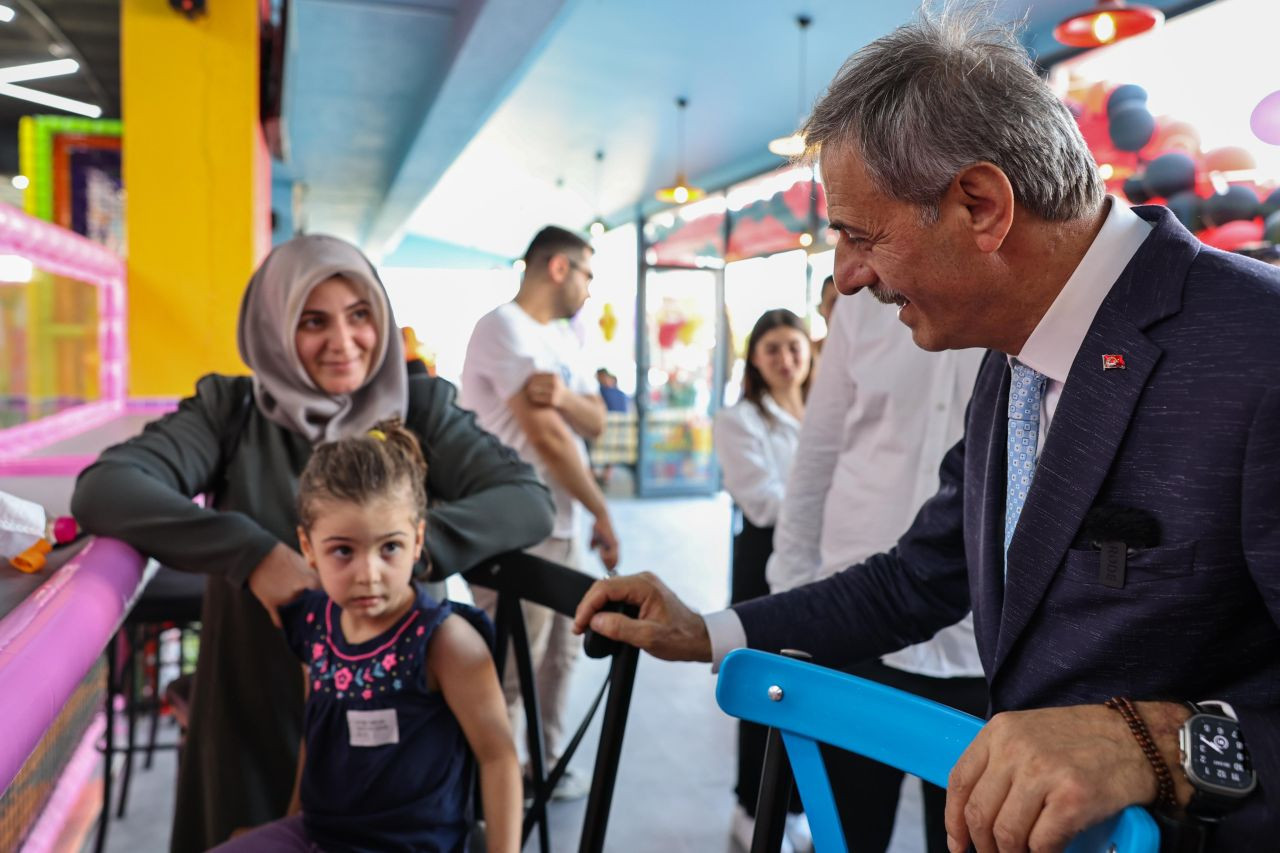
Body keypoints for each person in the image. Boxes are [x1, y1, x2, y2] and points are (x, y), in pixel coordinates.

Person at [574, 7, 1280, 852]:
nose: (848, 276)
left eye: (861, 236)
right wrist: (711, 630)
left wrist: (1160, 742)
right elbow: (918, 577)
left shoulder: (1258, 350)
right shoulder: (1012, 357)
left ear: (980, 205)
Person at [71, 234, 554, 852]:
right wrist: (253, 554)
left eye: (360, 316)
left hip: (401, 731)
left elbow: (526, 501)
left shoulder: (420, 410)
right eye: (312, 321)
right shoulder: (233, 411)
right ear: (273, 326)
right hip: (254, 697)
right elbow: (107, 489)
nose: (344, 342)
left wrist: (396, 559)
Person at [210, 420, 521, 853]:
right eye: (343, 551)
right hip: (320, 835)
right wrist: (288, 825)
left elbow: (499, 757)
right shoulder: (313, 626)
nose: (368, 575)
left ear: (417, 540)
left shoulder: (446, 643)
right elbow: (316, 733)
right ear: (307, 547)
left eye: (389, 548)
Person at [766, 289, 987, 853]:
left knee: (968, 839)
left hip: (983, 650)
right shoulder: (861, 305)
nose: (845, 268)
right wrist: (794, 606)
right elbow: (817, 454)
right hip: (855, 627)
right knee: (846, 834)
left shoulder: (1020, 300)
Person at [460, 225, 620, 801]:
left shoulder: (564, 341)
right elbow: (549, 438)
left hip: (563, 524)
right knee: (508, 668)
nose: (589, 288)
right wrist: (603, 513)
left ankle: (545, 766)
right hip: (517, 531)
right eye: (587, 274)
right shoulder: (502, 328)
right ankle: (488, 793)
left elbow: (598, 420)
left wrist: (567, 399)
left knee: (561, 655)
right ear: (558, 267)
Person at [712, 309, 812, 851]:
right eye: (771, 348)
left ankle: (796, 804)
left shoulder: (826, 408)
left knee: (808, 683)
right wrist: (829, 499)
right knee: (763, 684)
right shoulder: (740, 419)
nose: (785, 359)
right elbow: (763, 501)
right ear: (753, 357)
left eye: (793, 346)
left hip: (819, 561)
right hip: (762, 558)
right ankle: (750, 804)